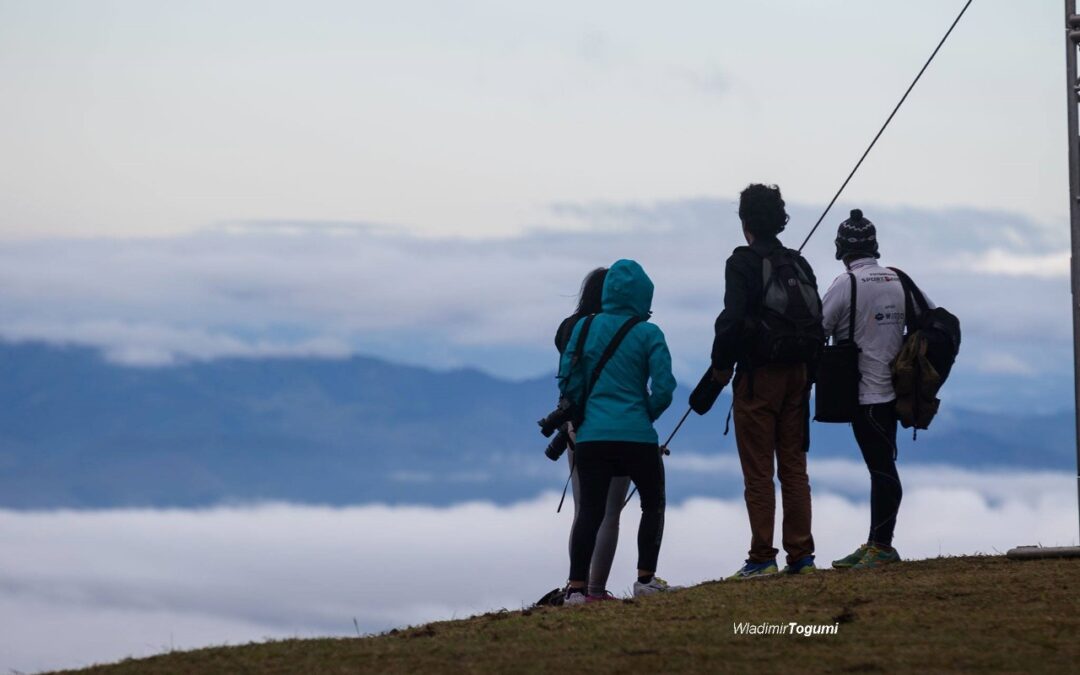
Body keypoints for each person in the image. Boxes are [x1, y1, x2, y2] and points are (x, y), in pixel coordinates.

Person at [711, 184, 819, 579]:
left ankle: (762, 557)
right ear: (780, 219)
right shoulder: (798, 263)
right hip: (799, 378)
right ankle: (801, 556)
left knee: (759, 470)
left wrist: (718, 373)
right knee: (794, 467)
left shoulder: (741, 263)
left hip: (759, 380)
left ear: (745, 223)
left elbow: (732, 323)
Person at [558, 259, 677, 604]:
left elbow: (569, 379)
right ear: (644, 295)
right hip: (637, 436)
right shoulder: (649, 333)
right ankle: (645, 579)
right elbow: (666, 387)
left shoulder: (583, 328)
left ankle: (576, 589)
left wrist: (584, 415)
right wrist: (646, 413)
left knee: (589, 511)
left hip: (592, 437)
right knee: (652, 503)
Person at [821, 209, 932, 570]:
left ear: (841, 249)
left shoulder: (845, 284)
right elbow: (930, 316)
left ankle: (882, 545)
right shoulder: (898, 279)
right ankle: (874, 542)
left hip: (864, 392)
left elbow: (818, 328)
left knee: (881, 468)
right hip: (897, 390)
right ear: (874, 246)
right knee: (881, 465)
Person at [553, 267, 631, 601]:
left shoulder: (570, 329)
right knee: (610, 513)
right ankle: (596, 591)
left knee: (583, 510)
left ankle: (576, 588)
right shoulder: (630, 328)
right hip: (623, 427)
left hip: (578, 427)